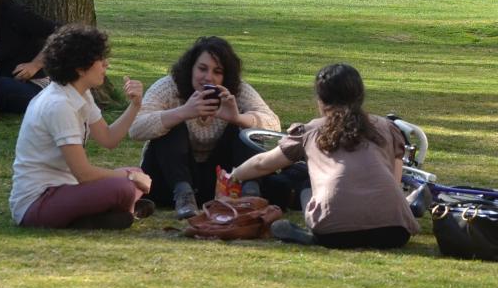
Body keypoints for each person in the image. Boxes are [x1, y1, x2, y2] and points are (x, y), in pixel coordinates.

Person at [229, 64, 420, 249]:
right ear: (360, 96)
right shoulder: (387, 127)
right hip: (395, 231)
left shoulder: (310, 131)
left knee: (305, 183)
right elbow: (395, 181)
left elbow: (262, 163)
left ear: (320, 100)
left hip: (334, 232)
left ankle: (313, 231)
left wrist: (234, 175)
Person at [8, 26, 155, 230]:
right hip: (38, 202)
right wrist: (130, 177)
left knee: (135, 174)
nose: (106, 64)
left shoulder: (80, 93)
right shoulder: (59, 105)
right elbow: (84, 174)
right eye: (100, 59)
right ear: (80, 67)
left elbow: (108, 139)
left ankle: (110, 212)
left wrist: (135, 105)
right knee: (124, 186)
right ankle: (116, 210)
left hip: (67, 188)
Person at [131, 36, 281, 219]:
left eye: (217, 72)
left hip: (219, 180)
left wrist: (238, 118)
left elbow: (274, 126)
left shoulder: (236, 91)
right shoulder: (168, 87)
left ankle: (250, 194)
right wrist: (183, 112)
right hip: (169, 179)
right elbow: (135, 128)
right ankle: (184, 197)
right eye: (202, 69)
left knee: (246, 131)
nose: (208, 77)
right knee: (172, 126)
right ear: (191, 68)